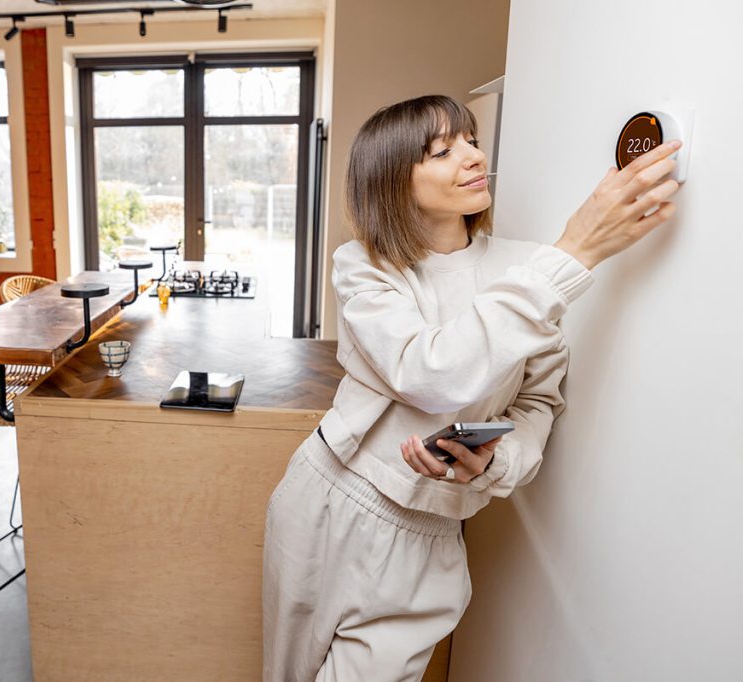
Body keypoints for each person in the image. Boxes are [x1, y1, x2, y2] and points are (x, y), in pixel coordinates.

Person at [262, 95, 681, 681]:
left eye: (472, 141)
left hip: (431, 527)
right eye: (442, 150)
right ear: (393, 182)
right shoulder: (364, 265)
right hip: (331, 497)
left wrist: (496, 460)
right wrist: (576, 251)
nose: (473, 157)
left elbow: (538, 401)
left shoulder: (530, 267)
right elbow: (431, 373)